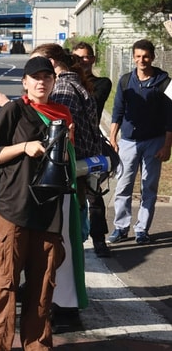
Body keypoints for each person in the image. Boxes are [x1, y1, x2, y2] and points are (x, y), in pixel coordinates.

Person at [0, 56, 70, 351]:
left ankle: (37, 344)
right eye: (35, 77)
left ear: (54, 82)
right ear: (25, 82)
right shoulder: (13, 111)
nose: (41, 82)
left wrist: (70, 146)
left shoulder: (62, 115)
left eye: (47, 77)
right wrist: (24, 147)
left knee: (43, 285)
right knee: (5, 281)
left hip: (49, 210)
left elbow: (68, 164)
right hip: (14, 206)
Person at [108, 39, 172, 246]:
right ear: (133, 57)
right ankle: (121, 227)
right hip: (128, 142)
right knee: (123, 186)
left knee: (149, 188)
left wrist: (167, 145)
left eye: (145, 56)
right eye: (138, 56)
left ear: (152, 57)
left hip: (155, 141)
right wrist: (113, 138)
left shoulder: (165, 82)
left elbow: (170, 116)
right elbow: (117, 111)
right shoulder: (125, 81)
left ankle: (142, 229)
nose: (141, 60)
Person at [71, 41, 113, 258]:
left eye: (86, 57)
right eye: (77, 58)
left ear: (93, 59)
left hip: (91, 148)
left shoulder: (102, 83)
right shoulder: (65, 83)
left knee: (94, 196)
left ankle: (99, 240)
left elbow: (93, 103)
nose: (82, 61)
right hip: (69, 147)